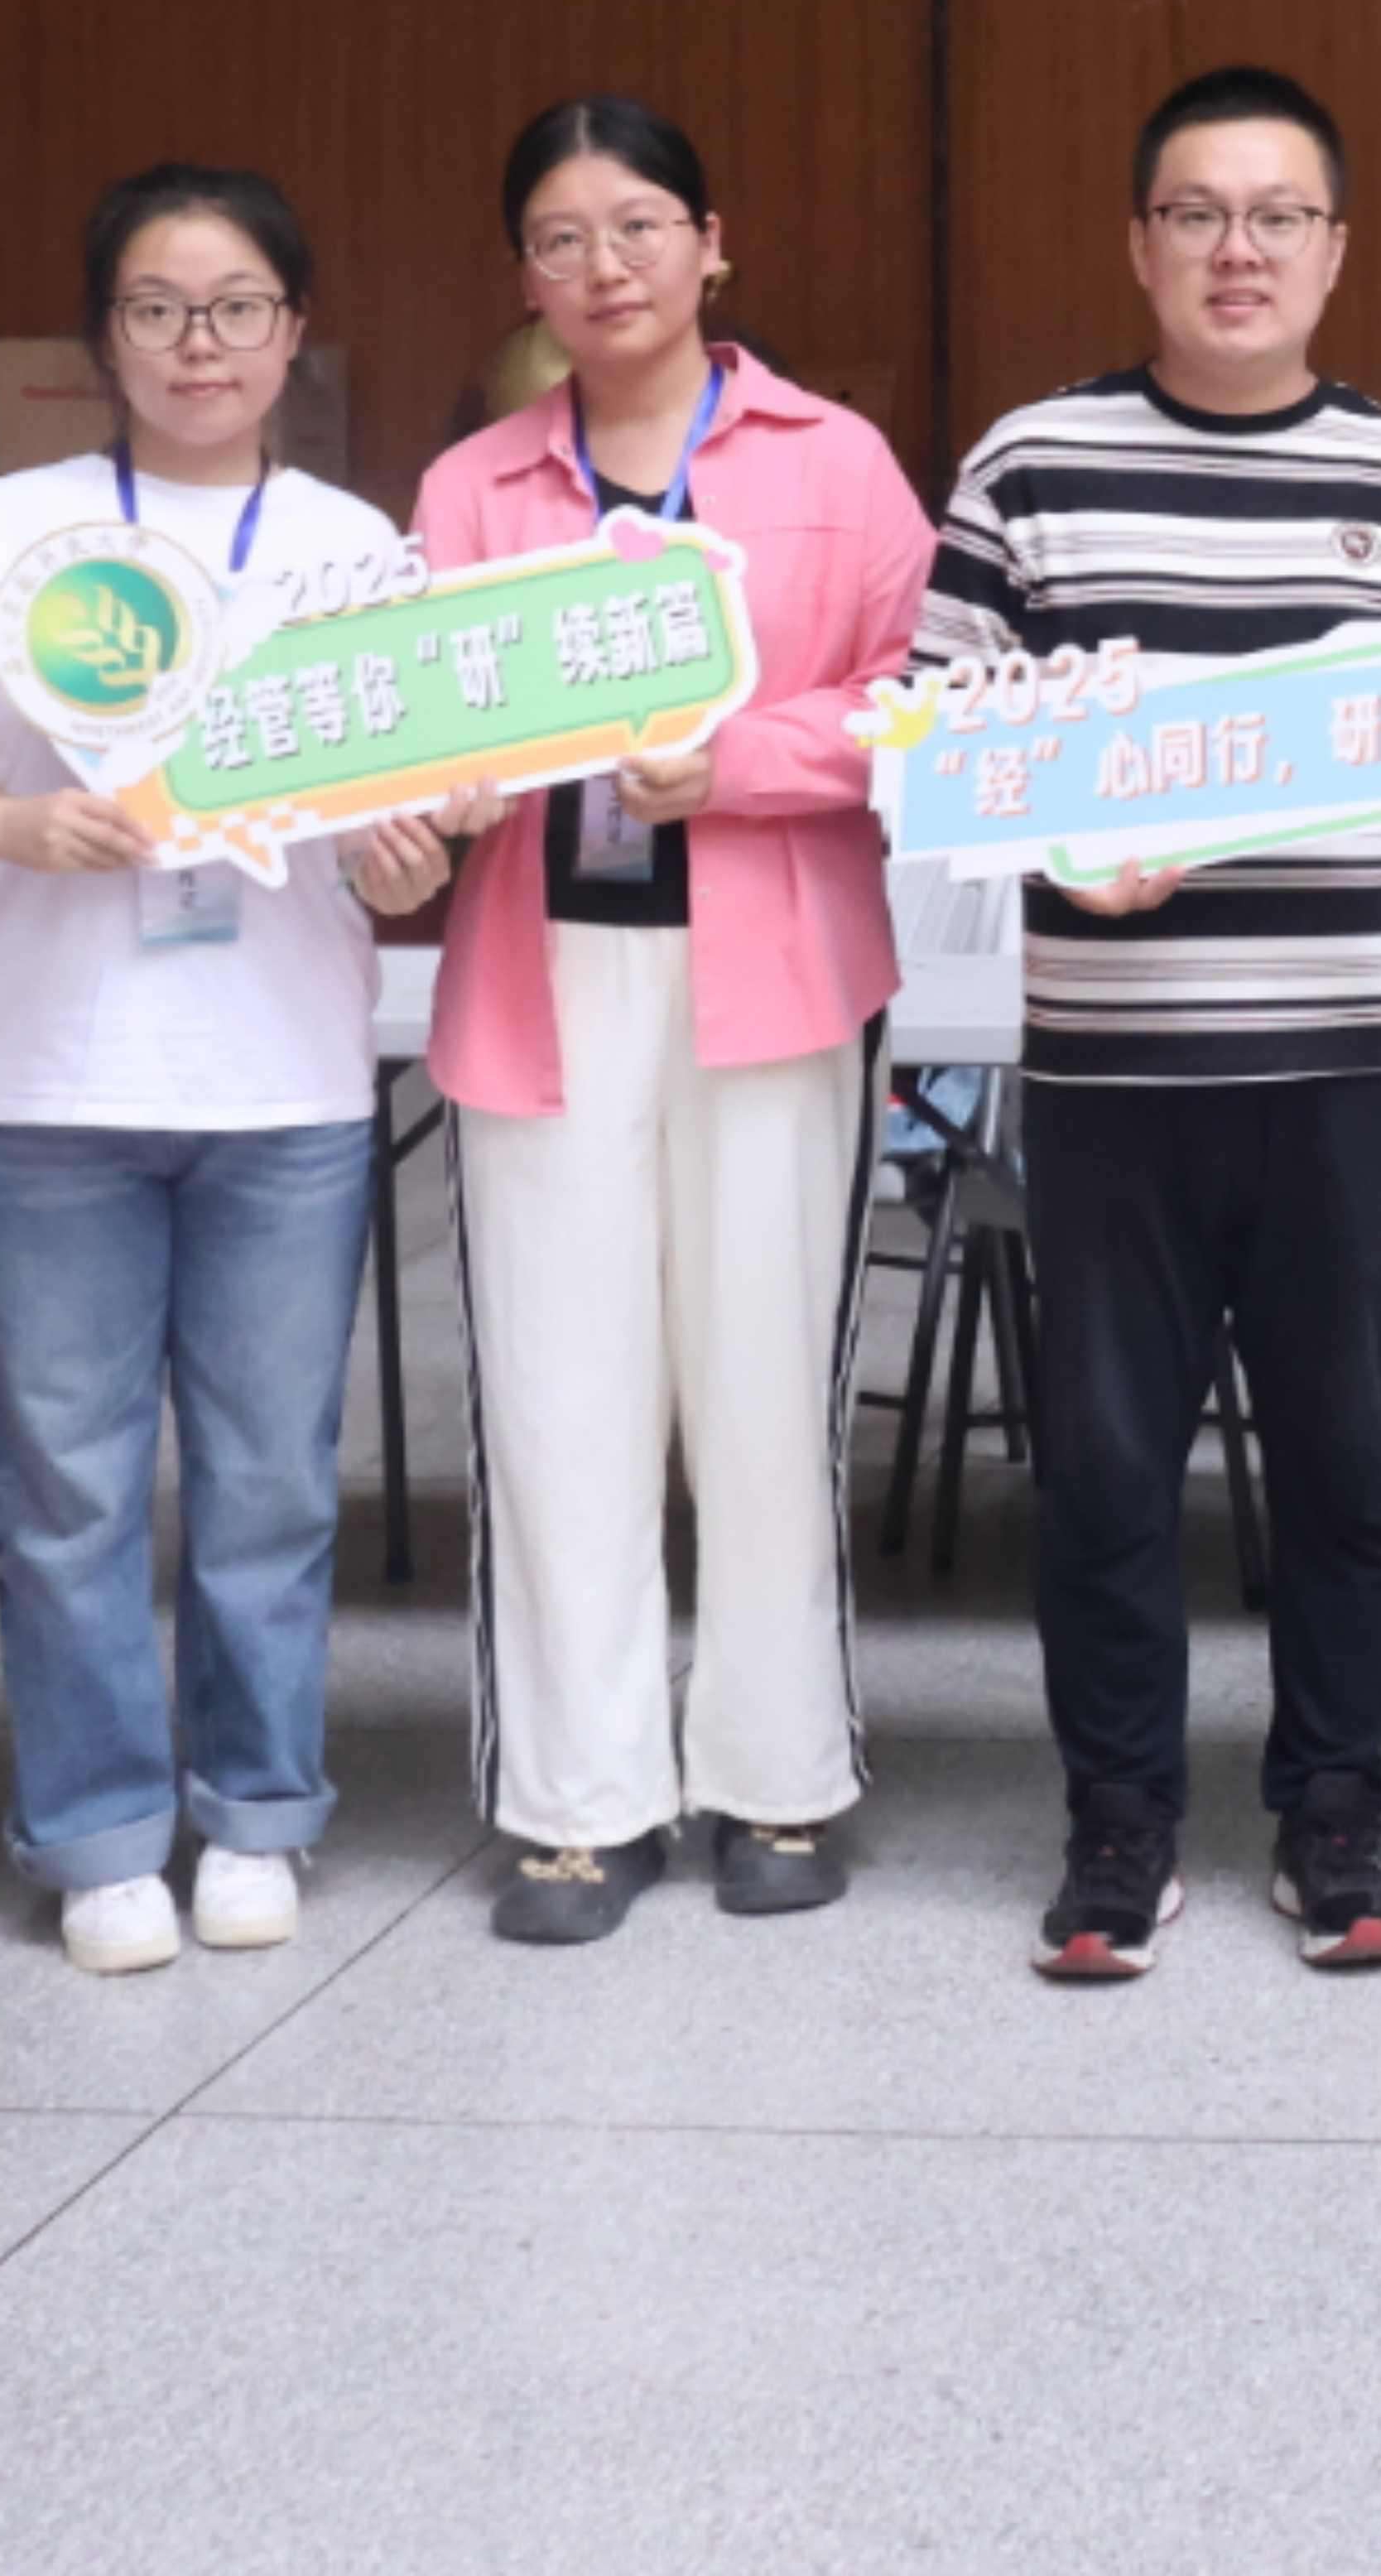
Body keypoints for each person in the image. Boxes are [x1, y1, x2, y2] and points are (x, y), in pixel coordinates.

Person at [0, 166, 455, 1975]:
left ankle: (259, 1809)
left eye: (238, 305)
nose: (201, 343)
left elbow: (403, 826)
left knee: (271, 1482)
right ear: (105, 336)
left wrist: (406, 861)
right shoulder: (4, 530)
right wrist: (10, 824)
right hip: (44, 1087)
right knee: (67, 1491)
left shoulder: (356, 548)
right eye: (159, 308)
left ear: (293, 331)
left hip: (285, 1087)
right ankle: (101, 1829)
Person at [924, 67, 1381, 1981]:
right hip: (1113, 1070)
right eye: (1198, 213)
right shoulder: (1030, 465)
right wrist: (1063, 855)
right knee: (1103, 1471)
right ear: (1141, 243)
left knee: (1346, 1470)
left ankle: (1335, 1812)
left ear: (1335, 249)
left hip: (1347, 1062)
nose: (1239, 249)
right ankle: (1120, 1820)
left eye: (1278, 216)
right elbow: (943, 748)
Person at [411, 99, 931, 1944]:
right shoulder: (475, 488)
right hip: (539, 972)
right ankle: (582, 1801)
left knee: (764, 1385)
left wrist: (744, 759)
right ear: (526, 275)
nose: (604, 267)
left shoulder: (834, 460)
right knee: (561, 1397)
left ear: (715, 243)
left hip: (768, 967)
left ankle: (779, 1778)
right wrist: (431, 792)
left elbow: (916, 698)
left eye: (639, 226)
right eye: (561, 239)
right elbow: (416, 715)